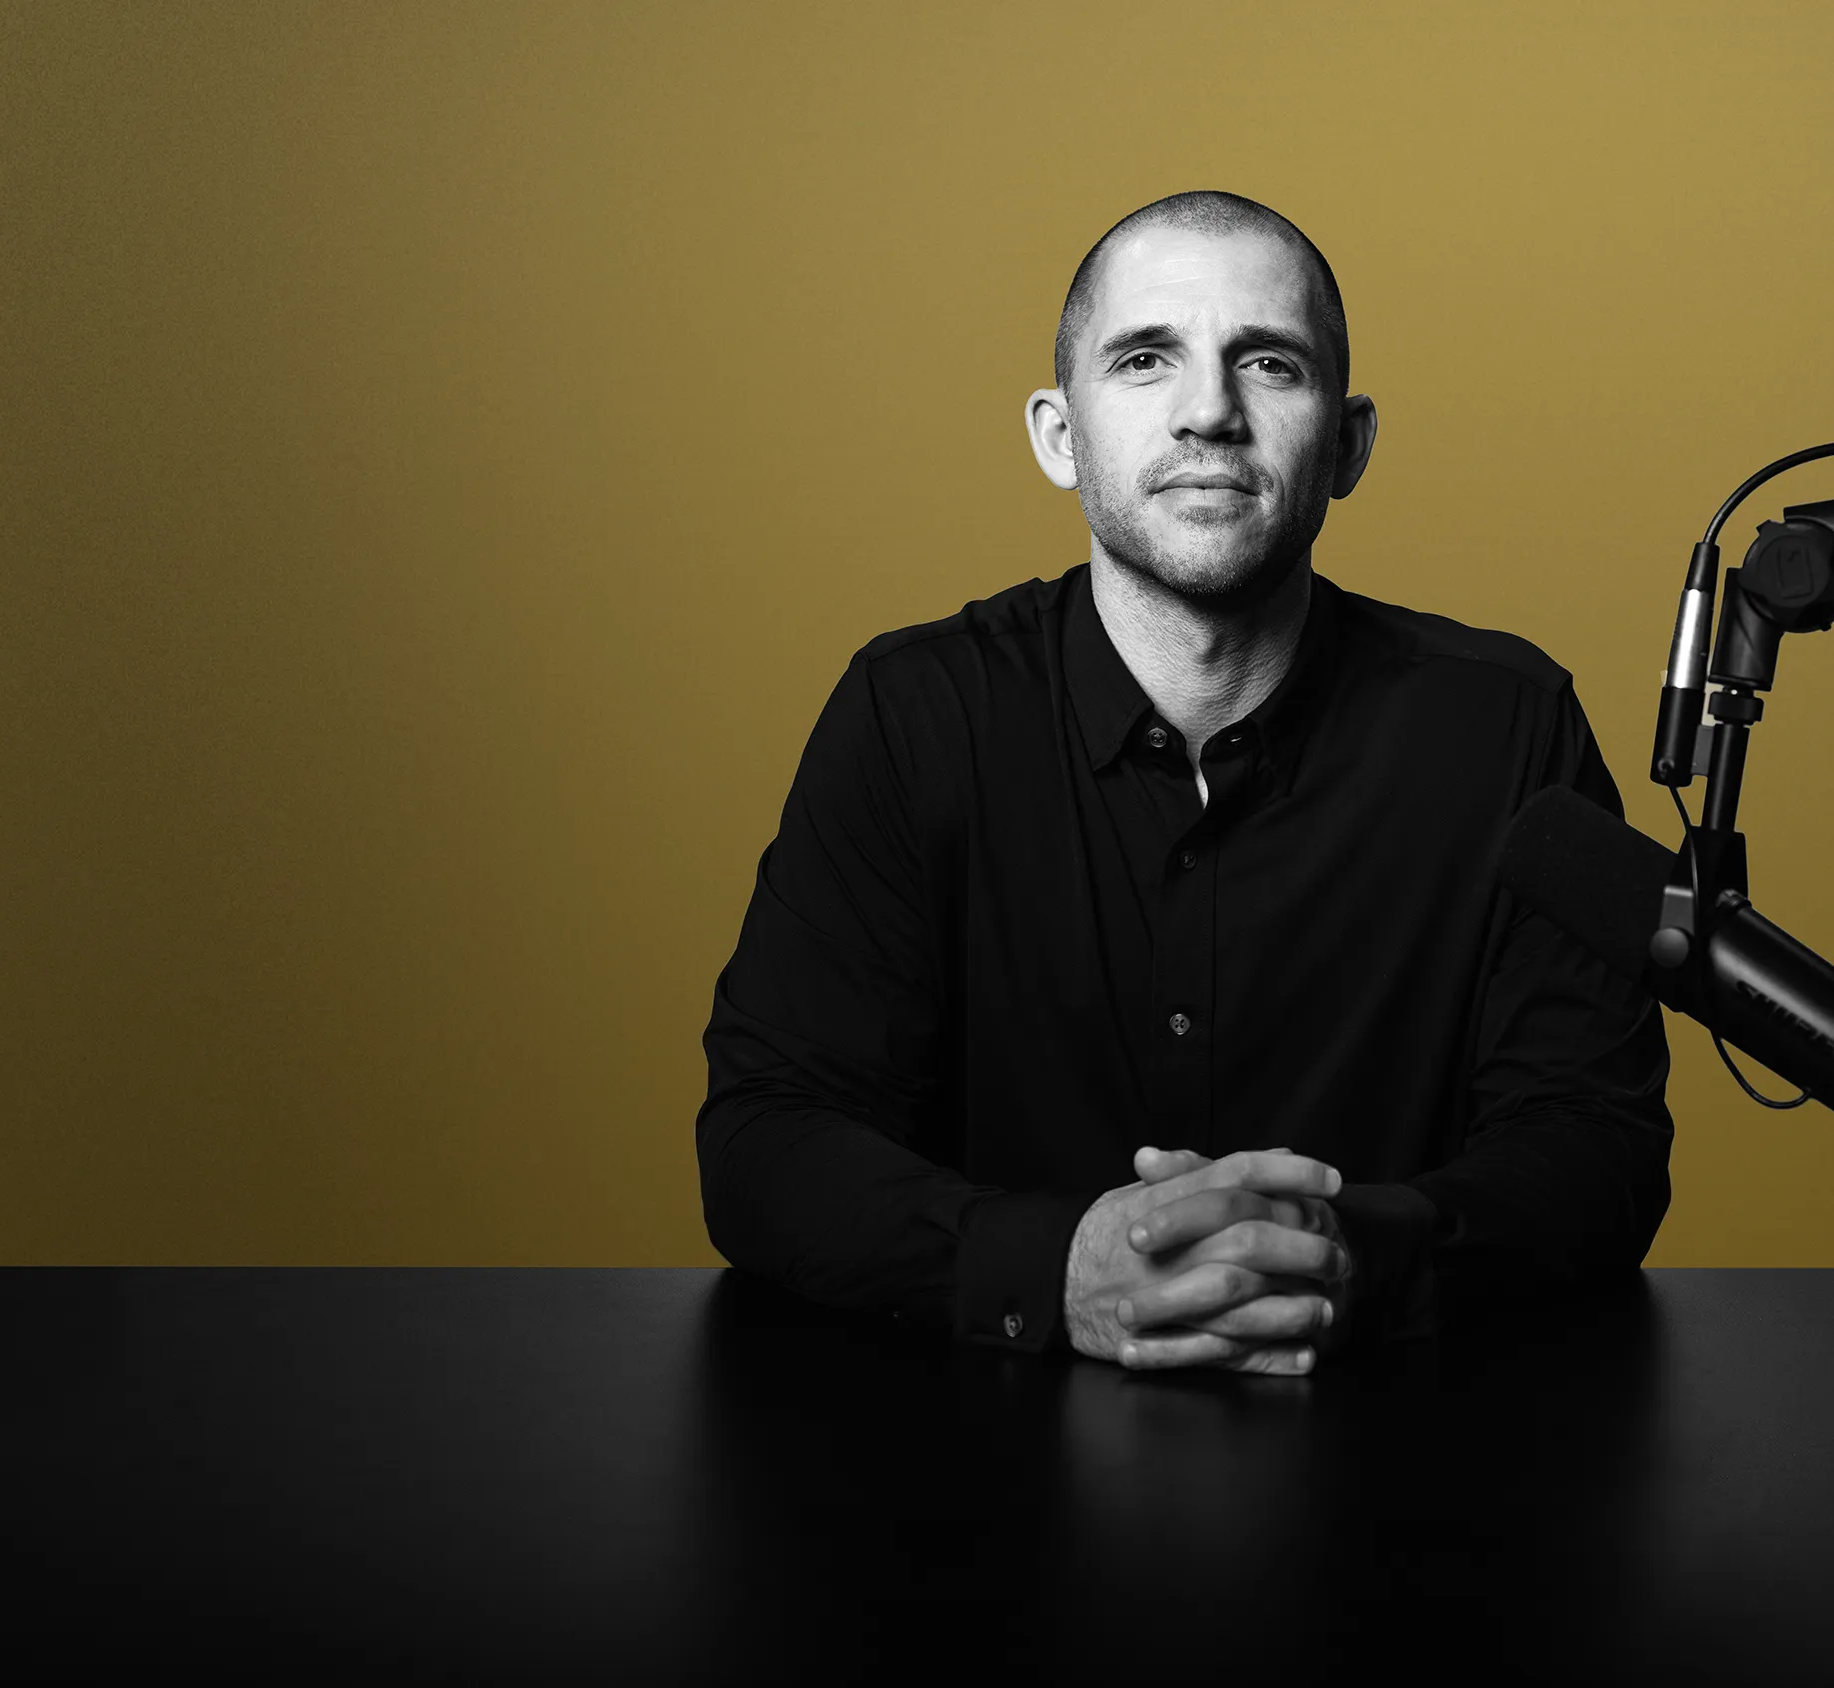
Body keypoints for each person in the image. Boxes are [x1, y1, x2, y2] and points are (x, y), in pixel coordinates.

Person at [698, 191, 1670, 1374]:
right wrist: (1056, 1267)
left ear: (1350, 444)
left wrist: (1347, 1256)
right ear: (1061, 435)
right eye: (1147, 358)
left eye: (1269, 362)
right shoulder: (913, 718)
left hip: (1415, 1488)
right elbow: (766, 1137)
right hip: (965, 1492)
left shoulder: (1509, 729)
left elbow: (1596, 1142)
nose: (1211, 413)